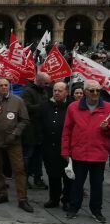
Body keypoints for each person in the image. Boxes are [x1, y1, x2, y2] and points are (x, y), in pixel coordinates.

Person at [0, 78, 33, 212]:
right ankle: (2, 193)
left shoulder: (17, 101)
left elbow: (25, 120)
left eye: (6, 85)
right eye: (1, 85)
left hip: (12, 141)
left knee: (19, 169)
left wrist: (15, 133)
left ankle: (22, 199)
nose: (4, 87)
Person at [62, 79, 110, 222]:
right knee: (77, 184)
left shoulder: (108, 108)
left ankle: (96, 210)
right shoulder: (73, 107)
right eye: (91, 90)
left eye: (97, 90)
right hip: (79, 152)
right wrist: (65, 151)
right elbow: (67, 130)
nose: (95, 93)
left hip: (98, 153)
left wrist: (107, 129)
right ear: (85, 92)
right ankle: (73, 208)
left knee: (97, 185)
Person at [40, 81, 70, 210]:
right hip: (49, 147)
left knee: (68, 176)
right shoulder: (46, 106)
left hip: (65, 148)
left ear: (66, 92)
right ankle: (54, 198)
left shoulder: (71, 107)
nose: (56, 93)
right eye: (55, 91)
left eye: (60, 91)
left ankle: (67, 200)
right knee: (53, 175)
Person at [21, 72, 51, 190]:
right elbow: (26, 107)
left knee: (38, 157)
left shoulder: (43, 90)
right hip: (30, 129)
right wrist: (44, 106)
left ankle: (38, 178)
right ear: (39, 81)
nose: (48, 85)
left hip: (41, 130)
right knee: (27, 156)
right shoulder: (27, 91)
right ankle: (24, 179)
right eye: (46, 83)